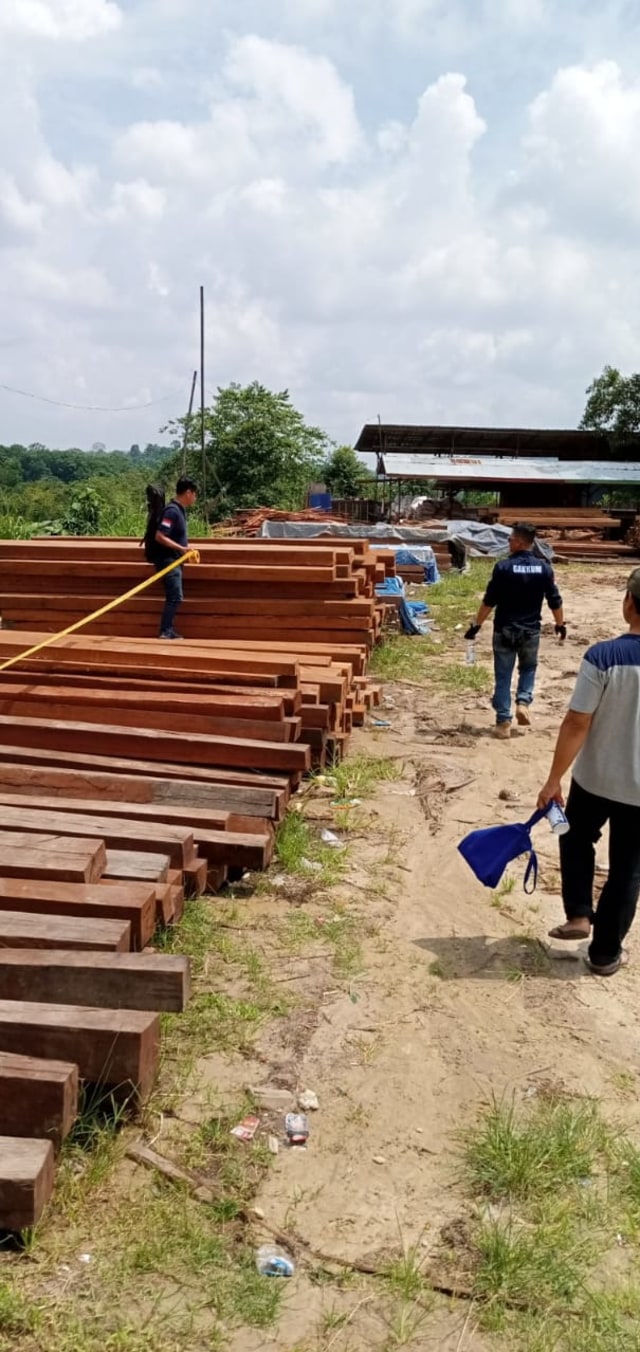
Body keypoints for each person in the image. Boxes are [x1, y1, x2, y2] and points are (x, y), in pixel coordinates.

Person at [537, 568, 640, 977]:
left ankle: (579, 913)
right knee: (627, 870)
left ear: (628, 604)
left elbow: (577, 722)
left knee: (575, 836)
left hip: (595, 778)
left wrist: (553, 780)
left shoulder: (603, 656)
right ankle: (604, 954)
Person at [464, 522, 566, 739]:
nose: (508, 542)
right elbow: (554, 600)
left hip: (505, 629)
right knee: (528, 668)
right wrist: (560, 624)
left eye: (510, 539)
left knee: (503, 675)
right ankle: (523, 702)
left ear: (519, 542)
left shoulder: (503, 568)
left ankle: (503, 722)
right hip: (531, 630)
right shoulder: (544, 568)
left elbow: (489, 601)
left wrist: (476, 625)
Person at [153, 477, 198, 639]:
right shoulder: (172, 511)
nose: (195, 498)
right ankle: (166, 631)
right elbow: (160, 536)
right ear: (188, 493)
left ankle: (167, 630)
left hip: (175, 560)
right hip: (169, 561)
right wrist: (182, 549)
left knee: (174, 596)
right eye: (195, 494)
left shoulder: (179, 510)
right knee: (175, 597)